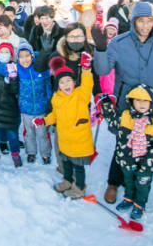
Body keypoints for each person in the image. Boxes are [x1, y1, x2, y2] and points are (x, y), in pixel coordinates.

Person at [92, 1, 153, 204]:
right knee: (123, 144)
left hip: (150, 105)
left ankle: (137, 186)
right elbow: (102, 71)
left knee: (146, 145)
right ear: (133, 21)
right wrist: (101, 49)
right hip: (127, 103)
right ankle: (114, 182)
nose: (145, 26)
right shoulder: (119, 43)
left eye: (149, 21)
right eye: (141, 21)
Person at [99, 85, 153, 220]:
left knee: (142, 185)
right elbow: (113, 124)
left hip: (145, 165)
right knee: (128, 181)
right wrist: (107, 107)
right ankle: (129, 197)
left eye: (145, 101)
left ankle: (140, 203)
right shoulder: (125, 116)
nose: (141, 104)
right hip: (127, 161)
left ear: (152, 103)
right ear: (131, 102)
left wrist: (149, 161)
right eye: (137, 100)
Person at [33, 54, 94, 199]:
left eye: (69, 81)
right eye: (62, 82)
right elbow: (54, 116)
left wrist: (86, 69)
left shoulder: (81, 95)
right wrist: (44, 121)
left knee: (78, 168)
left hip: (79, 140)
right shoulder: (56, 98)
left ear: (74, 82)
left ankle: (79, 188)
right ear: (58, 85)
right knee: (66, 163)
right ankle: (67, 181)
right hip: (65, 140)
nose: (66, 85)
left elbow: (88, 84)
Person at [16, 42, 52, 164]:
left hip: (41, 108)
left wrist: (49, 102)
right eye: (21, 56)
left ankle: (46, 154)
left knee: (42, 133)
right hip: (26, 109)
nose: (24, 59)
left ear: (32, 56)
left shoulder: (40, 68)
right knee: (29, 133)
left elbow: (48, 86)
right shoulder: (17, 70)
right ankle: (31, 152)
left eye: (27, 56)